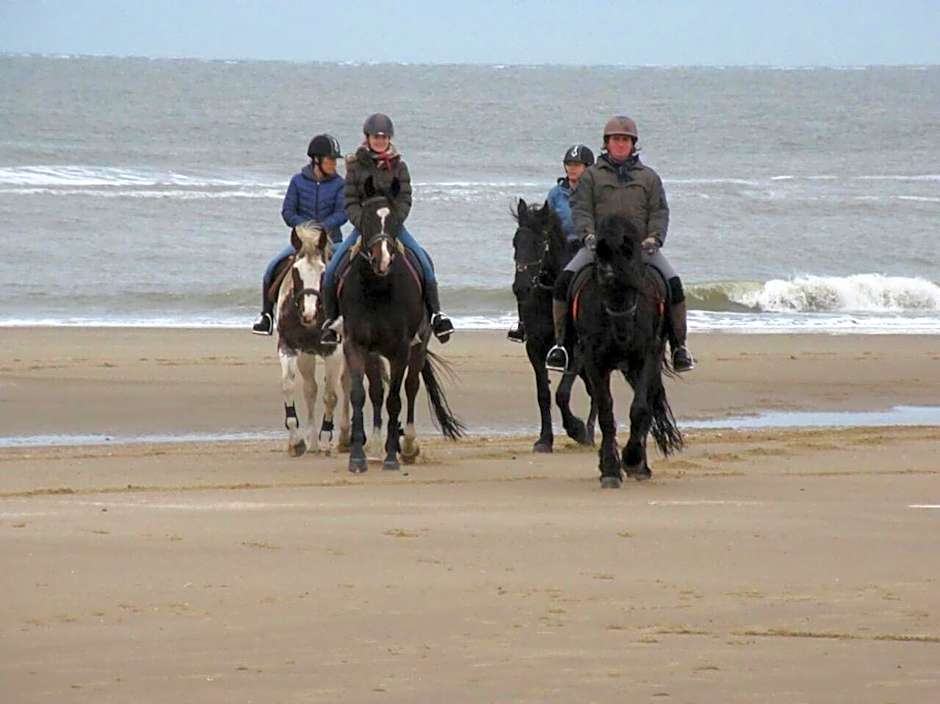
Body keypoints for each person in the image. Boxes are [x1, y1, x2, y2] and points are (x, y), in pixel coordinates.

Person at [544, 116, 696, 372]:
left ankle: (679, 346)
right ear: (607, 143)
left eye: (625, 140)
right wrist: (588, 236)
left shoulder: (649, 177)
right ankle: (561, 346)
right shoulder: (591, 176)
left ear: (633, 144)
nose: (620, 144)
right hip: (600, 248)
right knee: (563, 283)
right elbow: (581, 209)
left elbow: (659, 211)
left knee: (674, 284)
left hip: (639, 250)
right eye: (616, 139)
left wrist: (654, 238)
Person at [320, 113, 454, 344]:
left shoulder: (400, 167)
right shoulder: (354, 166)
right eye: (375, 136)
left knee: (424, 264)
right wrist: (363, 223)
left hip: (392, 227)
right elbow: (350, 200)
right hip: (364, 228)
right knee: (332, 269)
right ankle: (332, 323)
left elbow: (405, 199)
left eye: (383, 137)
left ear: (389, 138)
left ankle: (436, 315)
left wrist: (393, 223)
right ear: (368, 138)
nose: (380, 140)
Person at [251, 134, 346, 335]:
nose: (334, 164)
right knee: (272, 268)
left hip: (331, 242)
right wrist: (305, 229)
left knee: (343, 274)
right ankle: (266, 316)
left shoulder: (340, 184)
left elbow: (342, 213)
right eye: (330, 159)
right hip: (302, 244)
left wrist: (321, 228)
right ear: (317, 160)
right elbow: (288, 212)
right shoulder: (297, 181)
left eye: (335, 160)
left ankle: (342, 318)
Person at [508, 144, 594, 344]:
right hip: (559, 247)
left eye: (577, 165)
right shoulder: (556, 194)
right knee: (527, 278)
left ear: (588, 167)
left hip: (586, 246)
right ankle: (524, 324)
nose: (572, 168)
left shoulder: (594, 193)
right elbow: (547, 222)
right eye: (569, 164)